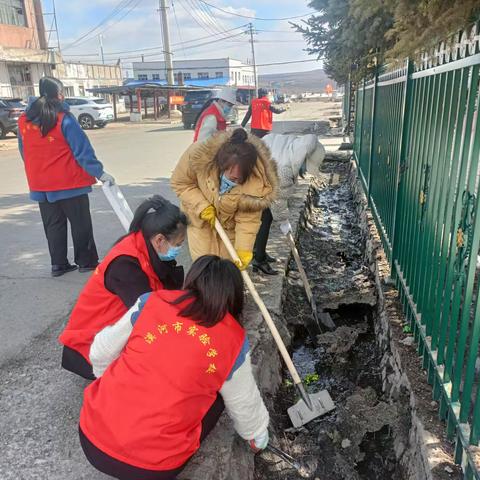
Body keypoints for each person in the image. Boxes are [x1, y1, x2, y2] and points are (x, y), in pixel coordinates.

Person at [79, 255, 270, 480]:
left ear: (192, 280)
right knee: (221, 394)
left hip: (91, 439)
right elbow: (243, 401)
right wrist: (257, 436)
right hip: (153, 467)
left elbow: (100, 351)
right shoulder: (232, 338)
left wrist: (108, 381)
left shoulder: (152, 302)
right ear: (234, 296)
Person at [58, 195, 187, 380]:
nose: (179, 249)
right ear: (159, 240)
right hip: (90, 346)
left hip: (111, 328)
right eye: (179, 244)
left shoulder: (142, 245)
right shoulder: (126, 265)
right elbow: (149, 317)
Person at [17, 77, 115, 277]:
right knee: (80, 224)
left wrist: (38, 170)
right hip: (69, 183)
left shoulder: (23, 121)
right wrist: (100, 173)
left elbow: (24, 152)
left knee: (53, 225)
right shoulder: (64, 119)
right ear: (59, 94)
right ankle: (86, 262)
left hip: (41, 185)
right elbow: (83, 152)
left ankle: (58, 265)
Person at [171, 128, 278, 270]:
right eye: (232, 177)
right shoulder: (199, 155)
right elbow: (181, 183)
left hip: (229, 231)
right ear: (221, 164)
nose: (235, 181)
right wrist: (201, 206)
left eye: (240, 179)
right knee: (204, 272)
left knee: (228, 275)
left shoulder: (257, 184)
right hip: (200, 225)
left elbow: (247, 220)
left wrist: (243, 250)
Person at [252, 133, 326, 274]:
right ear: (304, 159)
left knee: (264, 216)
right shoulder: (284, 168)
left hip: (259, 165)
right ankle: (258, 259)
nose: (306, 170)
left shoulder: (296, 145)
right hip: (255, 176)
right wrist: (284, 221)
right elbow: (278, 200)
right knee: (265, 217)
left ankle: (259, 252)